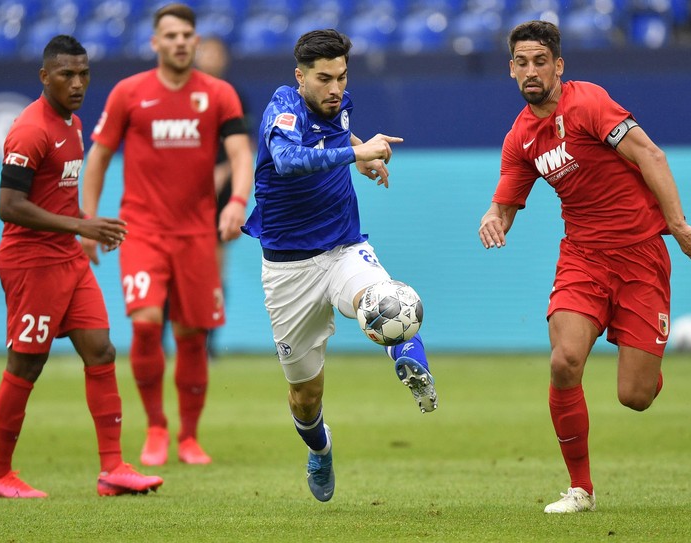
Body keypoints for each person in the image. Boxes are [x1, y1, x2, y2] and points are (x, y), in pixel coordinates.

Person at [477, 20, 691, 514]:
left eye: (540, 61)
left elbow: (649, 154)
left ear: (558, 66)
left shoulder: (588, 102)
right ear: (511, 70)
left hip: (640, 256)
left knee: (635, 396)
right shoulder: (520, 138)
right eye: (522, 63)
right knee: (564, 361)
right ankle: (581, 490)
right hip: (583, 258)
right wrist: (493, 217)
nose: (531, 70)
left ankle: (647, 362)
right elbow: (506, 199)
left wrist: (676, 226)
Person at [241, 29, 438, 503]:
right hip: (289, 270)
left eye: (342, 77)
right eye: (324, 79)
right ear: (300, 77)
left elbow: (333, 132)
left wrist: (358, 155)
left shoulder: (339, 103)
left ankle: (407, 355)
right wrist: (358, 153)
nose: (335, 89)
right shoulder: (283, 107)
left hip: (343, 247)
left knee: (382, 299)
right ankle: (321, 448)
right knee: (305, 401)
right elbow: (287, 160)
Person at [0, 35, 163, 499]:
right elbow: (9, 206)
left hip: (66, 256)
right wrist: (79, 225)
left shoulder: (74, 123)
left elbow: (57, 195)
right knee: (26, 364)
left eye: (84, 74)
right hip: (31, 262)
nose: (77, 83)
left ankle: (113, 470)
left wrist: (84, 227)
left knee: (101, 350)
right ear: (45, 76)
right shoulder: (30, 130)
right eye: (67, 74)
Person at [81, 3, 253, 467]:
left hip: (197, 234)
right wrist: (88, 221)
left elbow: (241, 154)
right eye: (170, 35)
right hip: (142, 231)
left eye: (186, 35)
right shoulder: (128, 93)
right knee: (145, 324)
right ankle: (156, 427)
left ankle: (189, 437)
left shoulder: (218, 95)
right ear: (155, 43)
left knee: (192, 335)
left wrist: (237, 202)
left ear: (196, 42)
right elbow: (97, 157)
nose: (179, 42)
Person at [194, 34, 254, 357]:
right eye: (206, 51)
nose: (211, 58)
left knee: (216, 268)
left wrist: (223, 173)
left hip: (220, 193)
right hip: (185, 194)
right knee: (180, 266)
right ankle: (169, 337)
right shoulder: (183, 94)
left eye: (217, 52)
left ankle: (210, 342)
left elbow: (245, 147)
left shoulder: (233, 96)